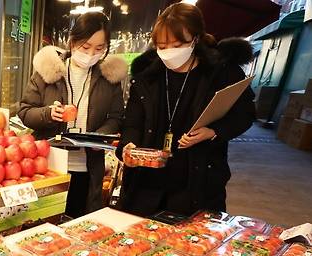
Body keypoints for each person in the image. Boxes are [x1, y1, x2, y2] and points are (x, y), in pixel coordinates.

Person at [116, 3, 255, 217]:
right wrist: (128, 147)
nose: (169, 52)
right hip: (146, 183)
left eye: (177, 44)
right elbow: (133, 122)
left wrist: (214, 131)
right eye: (162, 46)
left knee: (191, 241)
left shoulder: (221, 72)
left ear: (195, 39)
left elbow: (244, 114)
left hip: (198, 181)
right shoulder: (147, 76)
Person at [18, 12, 127, 217]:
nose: (91, 53)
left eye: (99, 48)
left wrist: (98, 137)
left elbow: (116, 117)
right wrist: (48, 114)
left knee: (76, 222)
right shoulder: (47, 71)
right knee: (42, 221)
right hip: (48, 164)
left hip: (87, 168)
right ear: (72, 41)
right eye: (85, 47)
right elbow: (25, 111)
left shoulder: (109, 78)